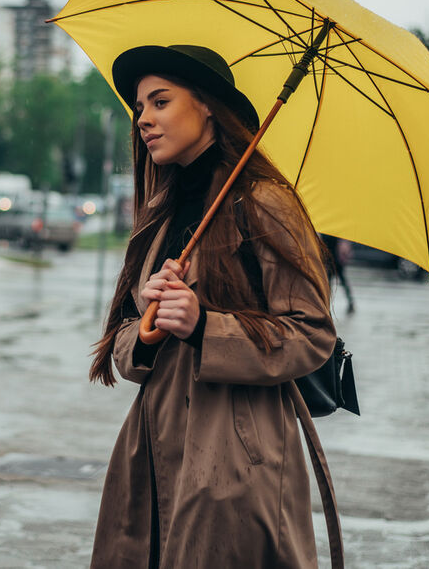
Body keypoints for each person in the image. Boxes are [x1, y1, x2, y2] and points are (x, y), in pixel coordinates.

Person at [89, 45, 338, 568]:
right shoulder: (161, 212)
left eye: (160, 102)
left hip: (235, 454)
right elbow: (126, 341)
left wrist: (204, 326)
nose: (143, 119)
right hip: (151, 449)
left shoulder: (265, 201)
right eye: (140, 107)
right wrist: (148, 332)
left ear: (206, 105)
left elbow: (312, 333)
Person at [322, 233, 355, 314]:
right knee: (336, 283)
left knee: (329, 284)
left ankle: (326, 304)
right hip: (334, 262)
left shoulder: (326, 234)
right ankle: (350, 302)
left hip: (333, 262)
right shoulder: (333, 233)